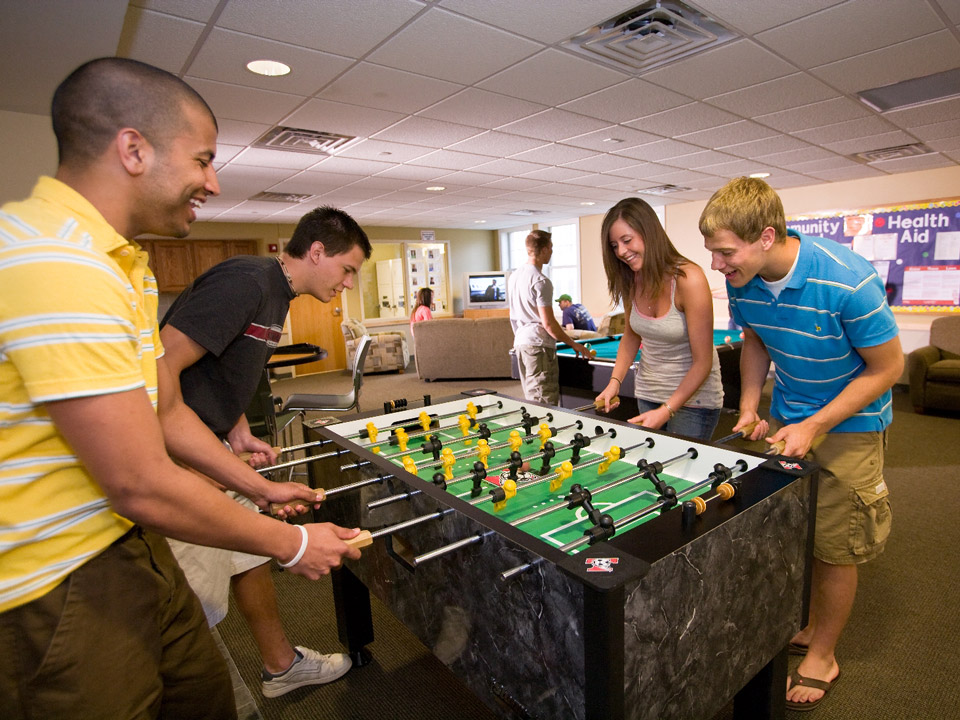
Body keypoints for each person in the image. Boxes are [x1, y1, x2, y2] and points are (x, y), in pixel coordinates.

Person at [0, 57, 362, 720]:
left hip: (126, 541)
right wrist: (294, 542)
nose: (214, 182)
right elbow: (137, 477)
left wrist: (255, 486)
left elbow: (162, 406)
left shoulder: (121, 263)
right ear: (133, 149)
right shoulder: (57, 260)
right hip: (52, 581)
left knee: (203, 695)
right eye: (202, 159)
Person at [700, 177, 901, 711]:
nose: (718, 266)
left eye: (725, 253)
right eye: (713, 254)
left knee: (837, 543)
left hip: (851, 426)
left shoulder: (848, 281)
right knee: (797, 530)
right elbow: (757, 338)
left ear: (766, 236)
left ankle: (825, 654)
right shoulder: (745, 281)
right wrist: (749, 404)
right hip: (790, 418)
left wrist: (818, 424)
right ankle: (810, 623)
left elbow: (888, 368)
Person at [159, 206, 371, 697]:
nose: (347, 283)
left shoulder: (277, 294)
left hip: (207, 442)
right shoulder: (248, 282)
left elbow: (224, 360)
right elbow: (160, 373)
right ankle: (187, 693)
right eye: (347, 270)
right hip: (176, 454)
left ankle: (281, 666)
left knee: (247, 553)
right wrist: (240, 477)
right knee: (193, 596)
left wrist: (235, 429)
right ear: (317, 252)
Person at [595, 198, 723, 440]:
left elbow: (703, 362)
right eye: (614, 245)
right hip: (648, 393)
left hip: (695, 401)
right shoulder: (631, 279)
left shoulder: (689, 279)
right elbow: (632, 335)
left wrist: (667, 409)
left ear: (649, 233)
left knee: (682, 476)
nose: (621, 252)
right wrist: (615, 382)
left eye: (627, 240)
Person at [508, 230, 590, 405]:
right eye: (551, 248)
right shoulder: (541, 281)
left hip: (521, 342)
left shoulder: (514, 276)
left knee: (533, 398)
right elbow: (549, 324)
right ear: (544, 249)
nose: (552, 252)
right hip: (538, 346)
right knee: (545, 402)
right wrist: (574, 344)